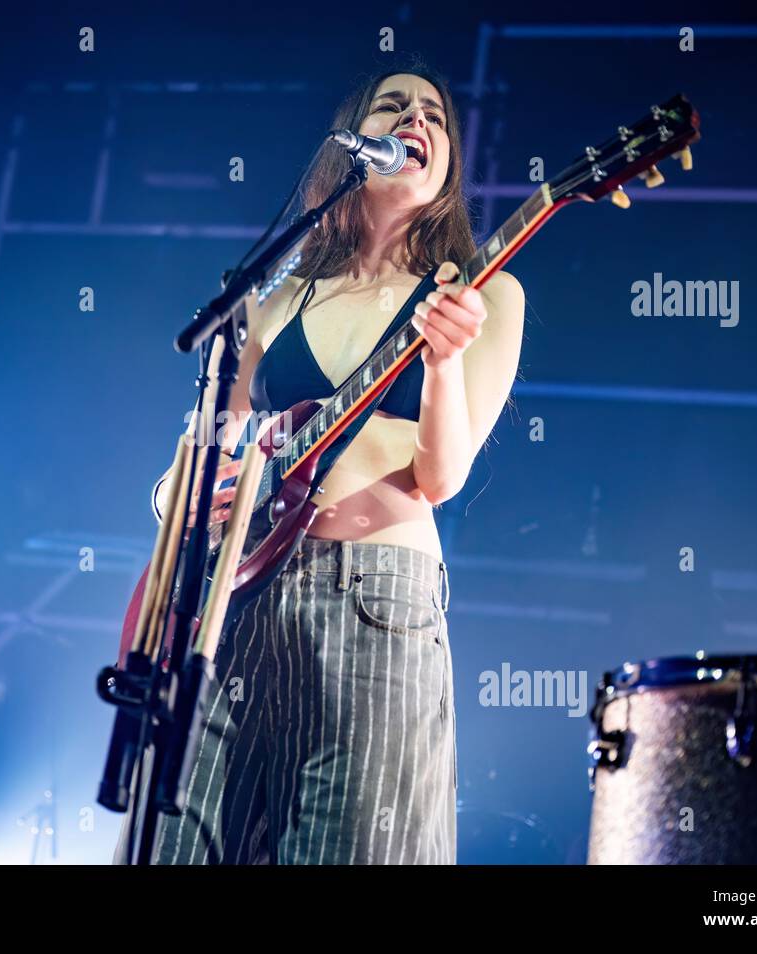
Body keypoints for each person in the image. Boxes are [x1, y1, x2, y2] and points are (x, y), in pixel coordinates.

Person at [125, 61, 525, 865]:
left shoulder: (483, 291)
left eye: (436, 117)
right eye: (393, 106)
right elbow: (194, 458)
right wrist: (183, 497)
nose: (417, 120)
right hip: (234, 604)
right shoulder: (278, 296)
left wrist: (443, 364)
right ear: (352, 144)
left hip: (376, 599)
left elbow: (441, 478)